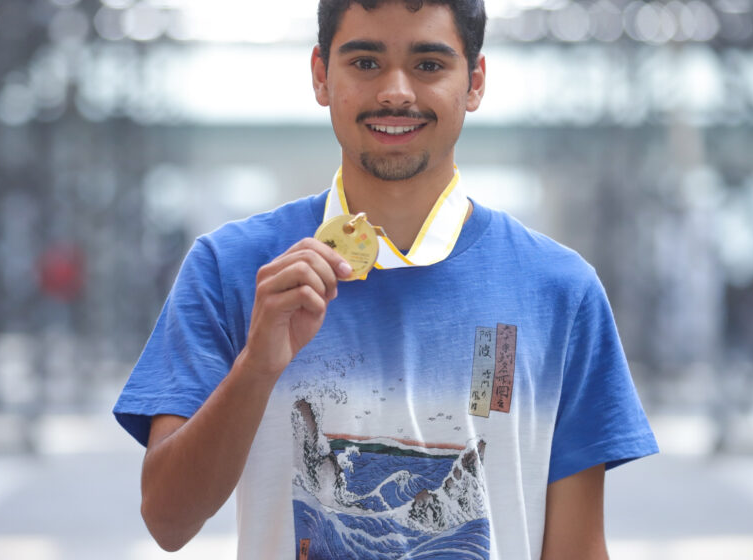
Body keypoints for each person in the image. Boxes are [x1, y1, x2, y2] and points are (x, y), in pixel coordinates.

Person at [113, 1, 658, 558]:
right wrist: (258, 366)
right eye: (366, 63)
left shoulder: (560, 290)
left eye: (428, 65)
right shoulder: (230, 267)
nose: (396, 92)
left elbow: (576, 548)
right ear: (321, 76)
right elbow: (167, 520)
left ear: (475, 82)